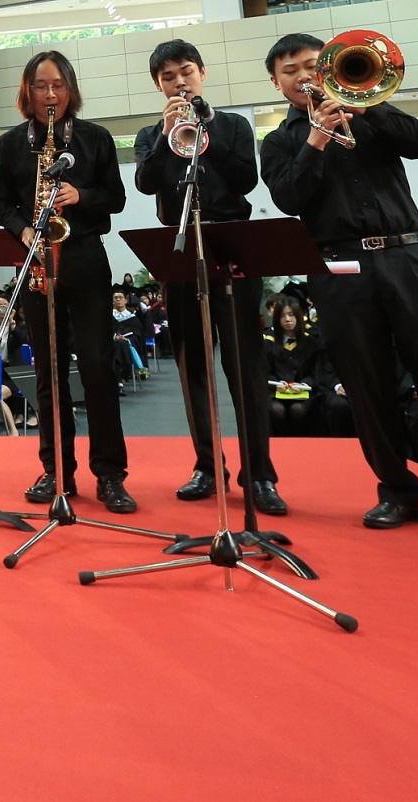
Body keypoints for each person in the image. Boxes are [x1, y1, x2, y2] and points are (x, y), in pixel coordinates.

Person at [257, 33, 418, 534]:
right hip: (337, 264)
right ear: (277, 85)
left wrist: (368, 108)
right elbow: (288, 199)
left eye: (310, 65)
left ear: (327, 66)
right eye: (289, 71)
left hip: (406, 253)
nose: (303, 76)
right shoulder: (279, 142)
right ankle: (397, 491)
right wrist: (316, 139)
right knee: (365, 383)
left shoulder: (368, 109)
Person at [131, 38, 281, 512]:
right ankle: (206, 466)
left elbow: (245, 180)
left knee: (244, 364)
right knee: (191, 364)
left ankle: (259, 474)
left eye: (186, 72)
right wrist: (166, 135)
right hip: (178, 248)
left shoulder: (233, 125)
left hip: (232, 244)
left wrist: (206, 133)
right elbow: (145, 183)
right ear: (158, 85)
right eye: (169, 77)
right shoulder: (150, 133)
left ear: (202, 73)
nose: (180, 82)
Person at [0, 50, 134, 511]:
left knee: (97, 367)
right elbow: (0, 203)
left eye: (58, 85)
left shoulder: (95, 138)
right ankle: (56, 470)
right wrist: (23, 230)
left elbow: (116, 198)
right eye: (40, 86)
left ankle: (109, 474)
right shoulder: (11, 144)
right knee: (48, 374)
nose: (50, 95)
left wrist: (80, 195)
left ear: (70, 89)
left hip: (86, 257)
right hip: (35, 261)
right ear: (26, 91)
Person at [263, 297, 326, 438]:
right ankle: (281, 444)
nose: (287, 319)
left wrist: (304, 384)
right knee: (277, 410)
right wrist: (276, 384)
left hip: (305, 391)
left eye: (291, 315)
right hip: (277, 391)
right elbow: (266, 371)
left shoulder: (311, 341)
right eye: (282, 316)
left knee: (298, 409)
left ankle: (302, 443)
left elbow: (316, 371)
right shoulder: (268, 342)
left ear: (299, 316)